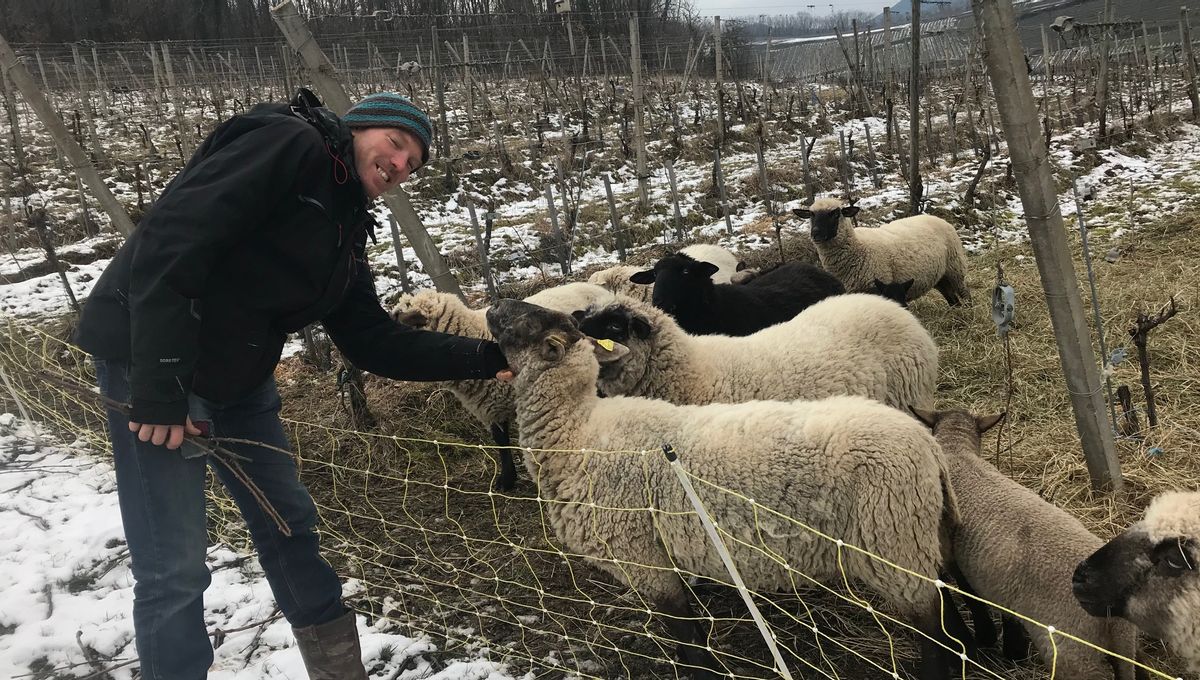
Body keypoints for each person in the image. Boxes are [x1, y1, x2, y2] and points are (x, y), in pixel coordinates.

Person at [74, 89, 508, 680]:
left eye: (413, 163)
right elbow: (170, 243)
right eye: (397, 143)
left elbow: (371, 339)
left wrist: (490, 357)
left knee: (290, 527)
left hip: (238, 377)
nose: (401, 164)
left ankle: (338, 671)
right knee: (173, 567)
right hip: (155, 363)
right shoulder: (290, 143)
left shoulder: (344, 221)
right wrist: (157, 391)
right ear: (360, 129)